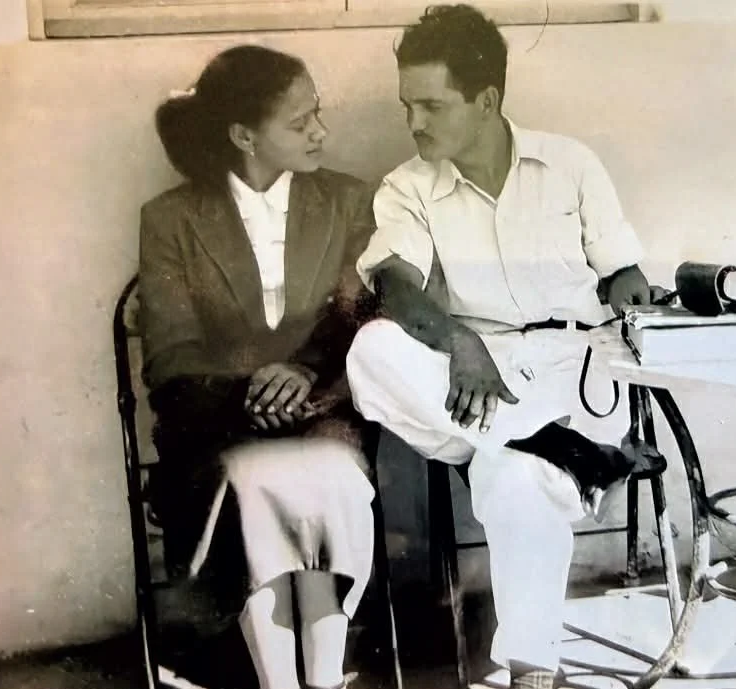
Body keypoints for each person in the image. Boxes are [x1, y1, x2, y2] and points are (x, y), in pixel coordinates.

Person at [344, 6, 666, 688]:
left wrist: (638, 299)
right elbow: (397, 288)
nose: (414, 123)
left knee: (513, 474)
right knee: (371, 350)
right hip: (477, 384)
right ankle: (576, 458)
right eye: (407, 106)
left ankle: (530, 674)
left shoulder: (570, 163)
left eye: (431, 105)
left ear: (485, 99)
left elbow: (620, 273)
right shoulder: (407, 187)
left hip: (579, 377)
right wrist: (458, 339)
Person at [140, 44, 378, 689]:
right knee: (252, 485)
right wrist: (248, 394)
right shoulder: (172, 220)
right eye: (300, 123)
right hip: (218, 425)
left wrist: (302, 376)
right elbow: (170, 353)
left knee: (327, 475)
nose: (320, 132)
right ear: (244, 135)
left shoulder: (348, 203)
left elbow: (358, 318)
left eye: (317, 115)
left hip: (323, 412)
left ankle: (324, 680)